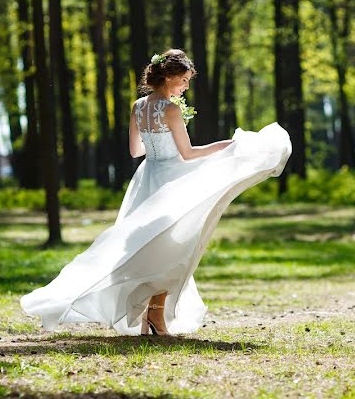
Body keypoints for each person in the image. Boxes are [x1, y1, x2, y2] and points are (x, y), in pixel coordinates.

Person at [20, 48, 291, 336]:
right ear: (170, 76)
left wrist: (158, 144)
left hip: (147, 177)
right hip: (172, 179)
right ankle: (154, 317)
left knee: (150, 246)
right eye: (184, 80)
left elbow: (135, 151)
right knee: (171, 248)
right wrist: (227, 146)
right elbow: (187, 154)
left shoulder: (138, 106)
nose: (186, 86)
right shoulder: (171, 110)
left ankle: (150, 316)